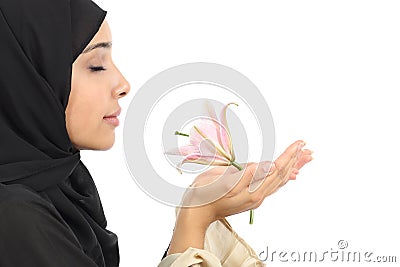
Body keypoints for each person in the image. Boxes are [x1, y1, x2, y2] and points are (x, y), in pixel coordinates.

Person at [0, 0, 312, 266]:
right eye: (96, 65)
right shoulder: (15, 218)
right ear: (25, 83)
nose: (123, 84)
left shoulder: (60, 187)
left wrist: (198, 208)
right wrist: (197, 215)